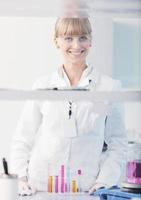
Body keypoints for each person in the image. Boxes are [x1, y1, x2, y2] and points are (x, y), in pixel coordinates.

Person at [10, 18, 127, 196]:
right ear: (56, 41)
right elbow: (23, 137)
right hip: (40, 187)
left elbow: (117, 142)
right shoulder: (42, 85)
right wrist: (21, 178)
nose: (76, 45)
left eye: (82, 37)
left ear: (91, 40)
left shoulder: (109, 87)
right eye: (68, 38)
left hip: (85, 189)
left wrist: (104, 181)